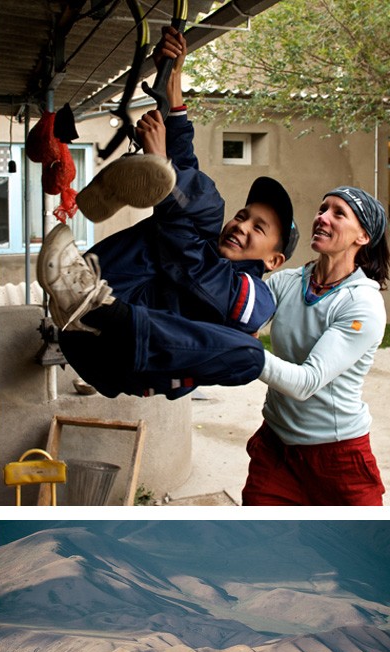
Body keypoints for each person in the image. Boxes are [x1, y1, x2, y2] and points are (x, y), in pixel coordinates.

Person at [38, 27, 298, 399]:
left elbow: (193, 265)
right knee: (202, 205)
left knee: (250, 356)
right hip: (94, 307)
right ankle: (82, 283)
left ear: (273, 259)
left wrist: (162, 164)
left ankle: (156, 179)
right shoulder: (210, 232)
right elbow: (188, 191)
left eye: (259, 227)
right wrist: (172, 83)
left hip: (123, 354)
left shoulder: (257, 299)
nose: (241, 225)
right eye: (243, 216)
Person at [241, 186, 390, 505]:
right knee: (254, 542)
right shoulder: (287, 282)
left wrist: (246, 353)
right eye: (323, 209)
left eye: (338, 213)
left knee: (365, 551)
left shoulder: (362, 303)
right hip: (276, 448)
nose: (322, 218)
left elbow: (306, 382)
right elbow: (239, 322)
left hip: (337, 457)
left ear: (362, 236)